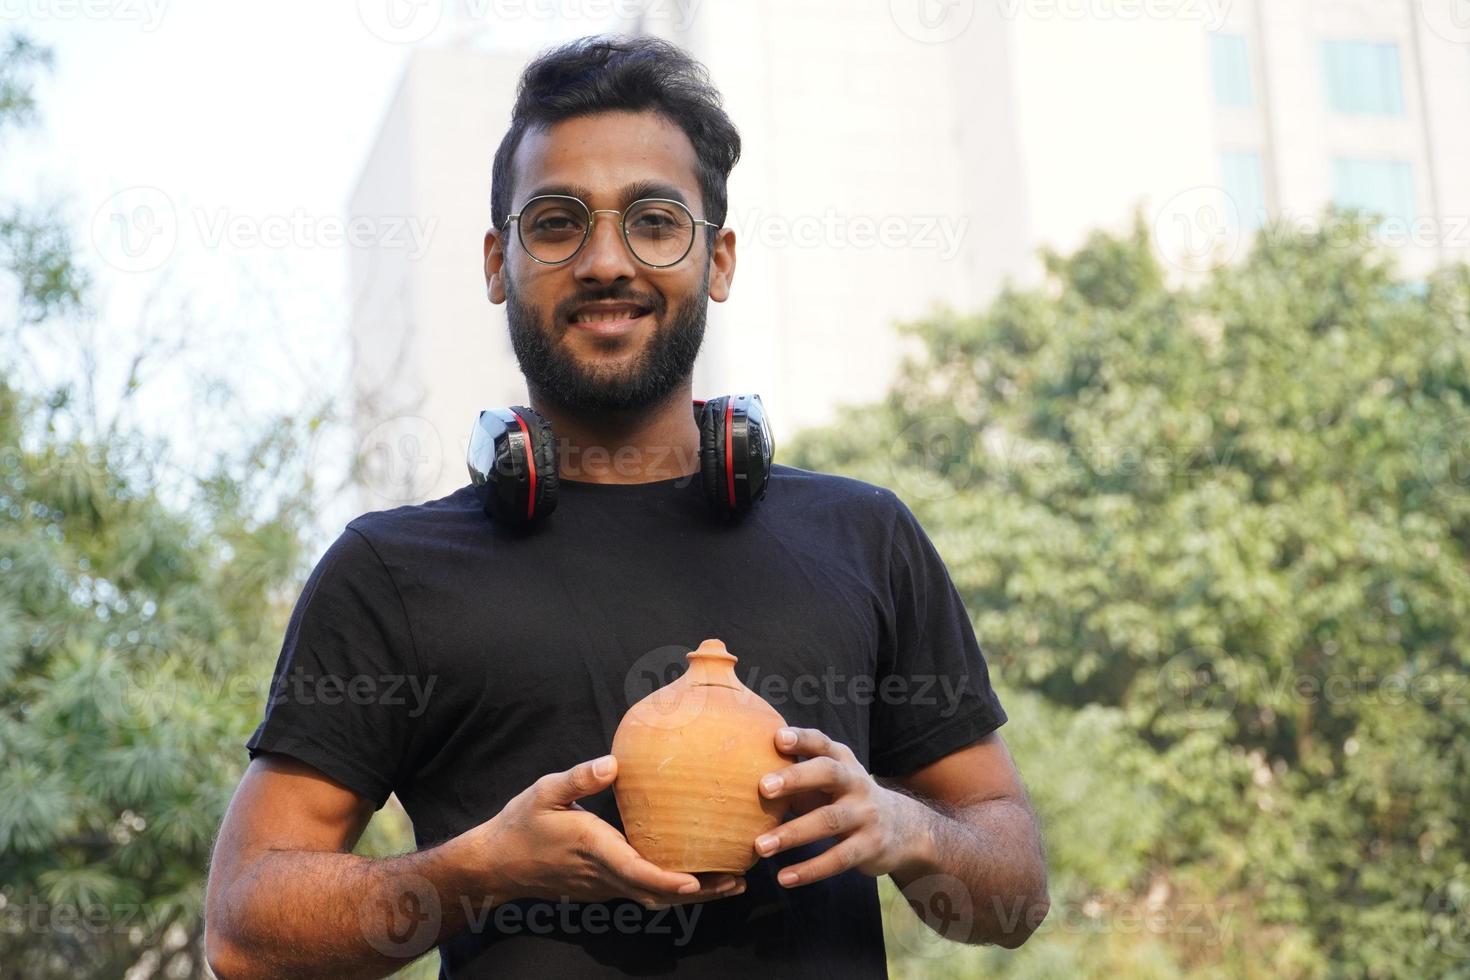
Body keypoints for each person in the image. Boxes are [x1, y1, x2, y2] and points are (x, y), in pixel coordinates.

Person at [204, 34, 1049, 980]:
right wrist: (475, 874)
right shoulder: (389, 573)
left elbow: (1011, 894)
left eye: (654, 221)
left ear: (717, 260)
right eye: (558, 222)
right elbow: (243, 935)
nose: (608, 261)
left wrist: (905, 829)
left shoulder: (865, 537)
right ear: (497, 263)